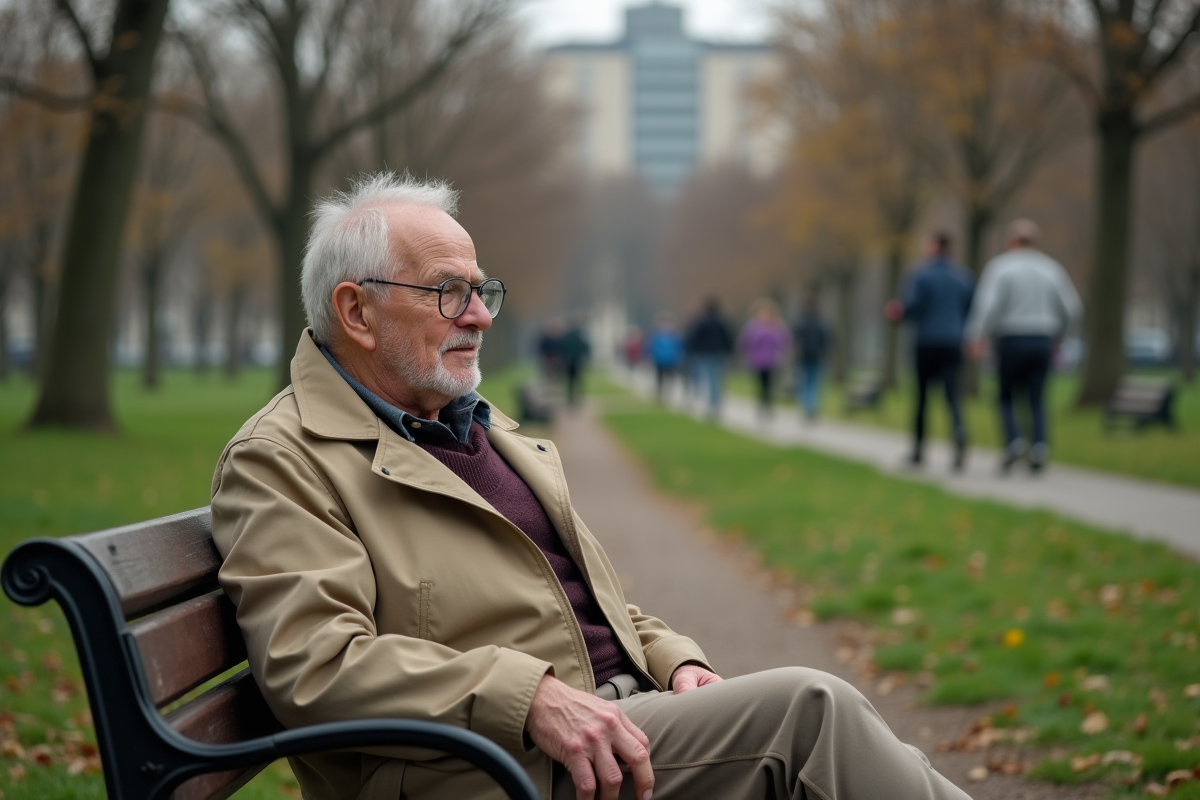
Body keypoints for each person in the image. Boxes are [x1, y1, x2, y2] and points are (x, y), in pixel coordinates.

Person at [210, 173, 972, 800]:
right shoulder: (282, 457)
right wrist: (529, 696)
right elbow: (318, 664)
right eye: (448, 292)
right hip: (479, 770)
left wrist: (676, 661)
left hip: (603, 726)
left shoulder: (479, 428)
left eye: (482, 291)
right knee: (809, 715)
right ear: (356, 311)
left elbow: (595, 598)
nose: (479, 316)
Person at [965, 219, 1082, 473]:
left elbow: (987, 306)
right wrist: (1061, 335)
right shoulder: (1052, 269)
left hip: (1011, 338)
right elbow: (1072, 309)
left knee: (1006, 395)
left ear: (1011, 242)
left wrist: (976, 335)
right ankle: (1039, 446)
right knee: (1037, 398)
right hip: (1043, 338)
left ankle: (1013, 441)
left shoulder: (1000, 268)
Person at [886, 233, 974, 470]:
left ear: (935, 247)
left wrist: (897, 312)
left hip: (927, 341)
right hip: (953, 341)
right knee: (952, 395)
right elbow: (970, 308)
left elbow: (912, 307)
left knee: (922, 397)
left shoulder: (921, 275)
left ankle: (918, 451)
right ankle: (958, 429)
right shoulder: (963, 277)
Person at [739, 298, 791, 418]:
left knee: (770, 385)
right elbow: (746, 341)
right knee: (761, 384)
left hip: (773, 361)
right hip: (758, 360)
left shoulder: (777, 325)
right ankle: (763, 405)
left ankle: (767, 406)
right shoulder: (753, 325)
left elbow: (784, 341)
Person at [684, 298, 734, 417]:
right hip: (719, 353)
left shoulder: (702, 322)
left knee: (709, 378)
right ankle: (716, 403)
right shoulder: (722, 321)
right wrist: (729, 351)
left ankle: (713, 404)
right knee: (717, 378)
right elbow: (728, 337)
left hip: (705, 354)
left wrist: (696, 350)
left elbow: (694, 338)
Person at [792, 295, 830, 421]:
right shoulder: (821, 323)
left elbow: (795, 341)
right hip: (817, 357)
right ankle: (812, 407)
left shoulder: (801, 323)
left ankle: (807, 407)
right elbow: (826, 341)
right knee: (814, 383)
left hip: (804, 357)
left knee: (805, 383)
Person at [645, 313, 686, 401]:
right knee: (669, 377)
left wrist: (650, 357)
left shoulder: (657, 334)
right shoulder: (675, 334)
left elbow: (651, 346)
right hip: (671, 359)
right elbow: (680, 347)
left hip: (660, 359)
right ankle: (667, 393)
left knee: (660, 378)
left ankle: (660, 394)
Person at [559, 317, 591, 407]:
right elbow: (585, 348)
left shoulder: (566, 336)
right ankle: (578, 398)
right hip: (577, 362)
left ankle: (570, 398)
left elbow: (561, 348)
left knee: (570, 381)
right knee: (578, 380)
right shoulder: (579, 336)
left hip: (568, 362)